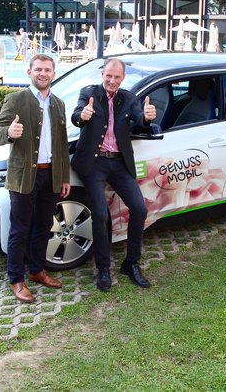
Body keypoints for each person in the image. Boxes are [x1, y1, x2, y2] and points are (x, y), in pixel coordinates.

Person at [0, 54, 71, 303]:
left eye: (47, 70)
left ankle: (36, 271)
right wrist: (9, 133)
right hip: (25, 176)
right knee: (19, 229)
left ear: (53, 74)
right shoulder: (16, 100)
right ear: (29, 72)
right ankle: (16, 279)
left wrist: (64, 176)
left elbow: (62, 144)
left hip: (51, 175)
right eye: (38, 69)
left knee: (43, 226)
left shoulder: (58, 104)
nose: (43, 73)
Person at [71, 58, 156, 291]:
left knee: (139, 209)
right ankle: (103, 268)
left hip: (119, 163)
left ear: (122, 78)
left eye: (117, 77)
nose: (112, 80)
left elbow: (140, 120)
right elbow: (77, 116)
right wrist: (83, 115)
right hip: (94, 163)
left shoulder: (128, 98)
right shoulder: (88, 93)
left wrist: (148, 117)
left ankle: (131, 263)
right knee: (100, 215)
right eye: (109, 75)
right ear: (102, 74)